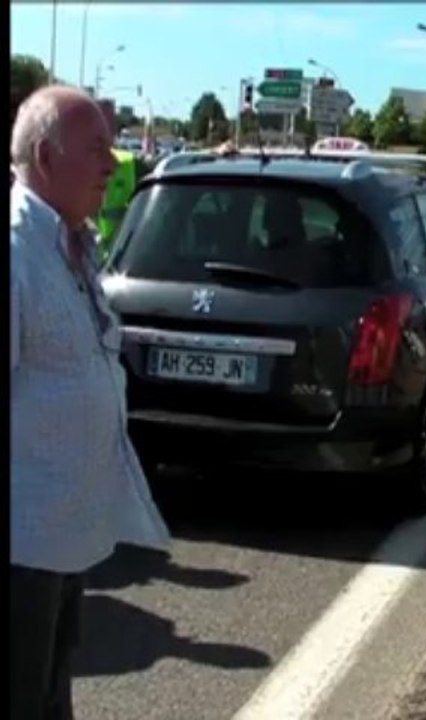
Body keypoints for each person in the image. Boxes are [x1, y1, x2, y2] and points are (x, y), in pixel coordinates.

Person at [11, 86, 171, 719]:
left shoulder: (71, 241)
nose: (113, 162)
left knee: (48, 692)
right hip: (20, 545)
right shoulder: (17, 251)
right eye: (98, 146)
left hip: (60, 534)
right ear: (47, 158)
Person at [96, 100, 137, 262]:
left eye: (110, 122)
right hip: (86, 261)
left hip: (121, 259)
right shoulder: (72, 165)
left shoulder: (129, 162)